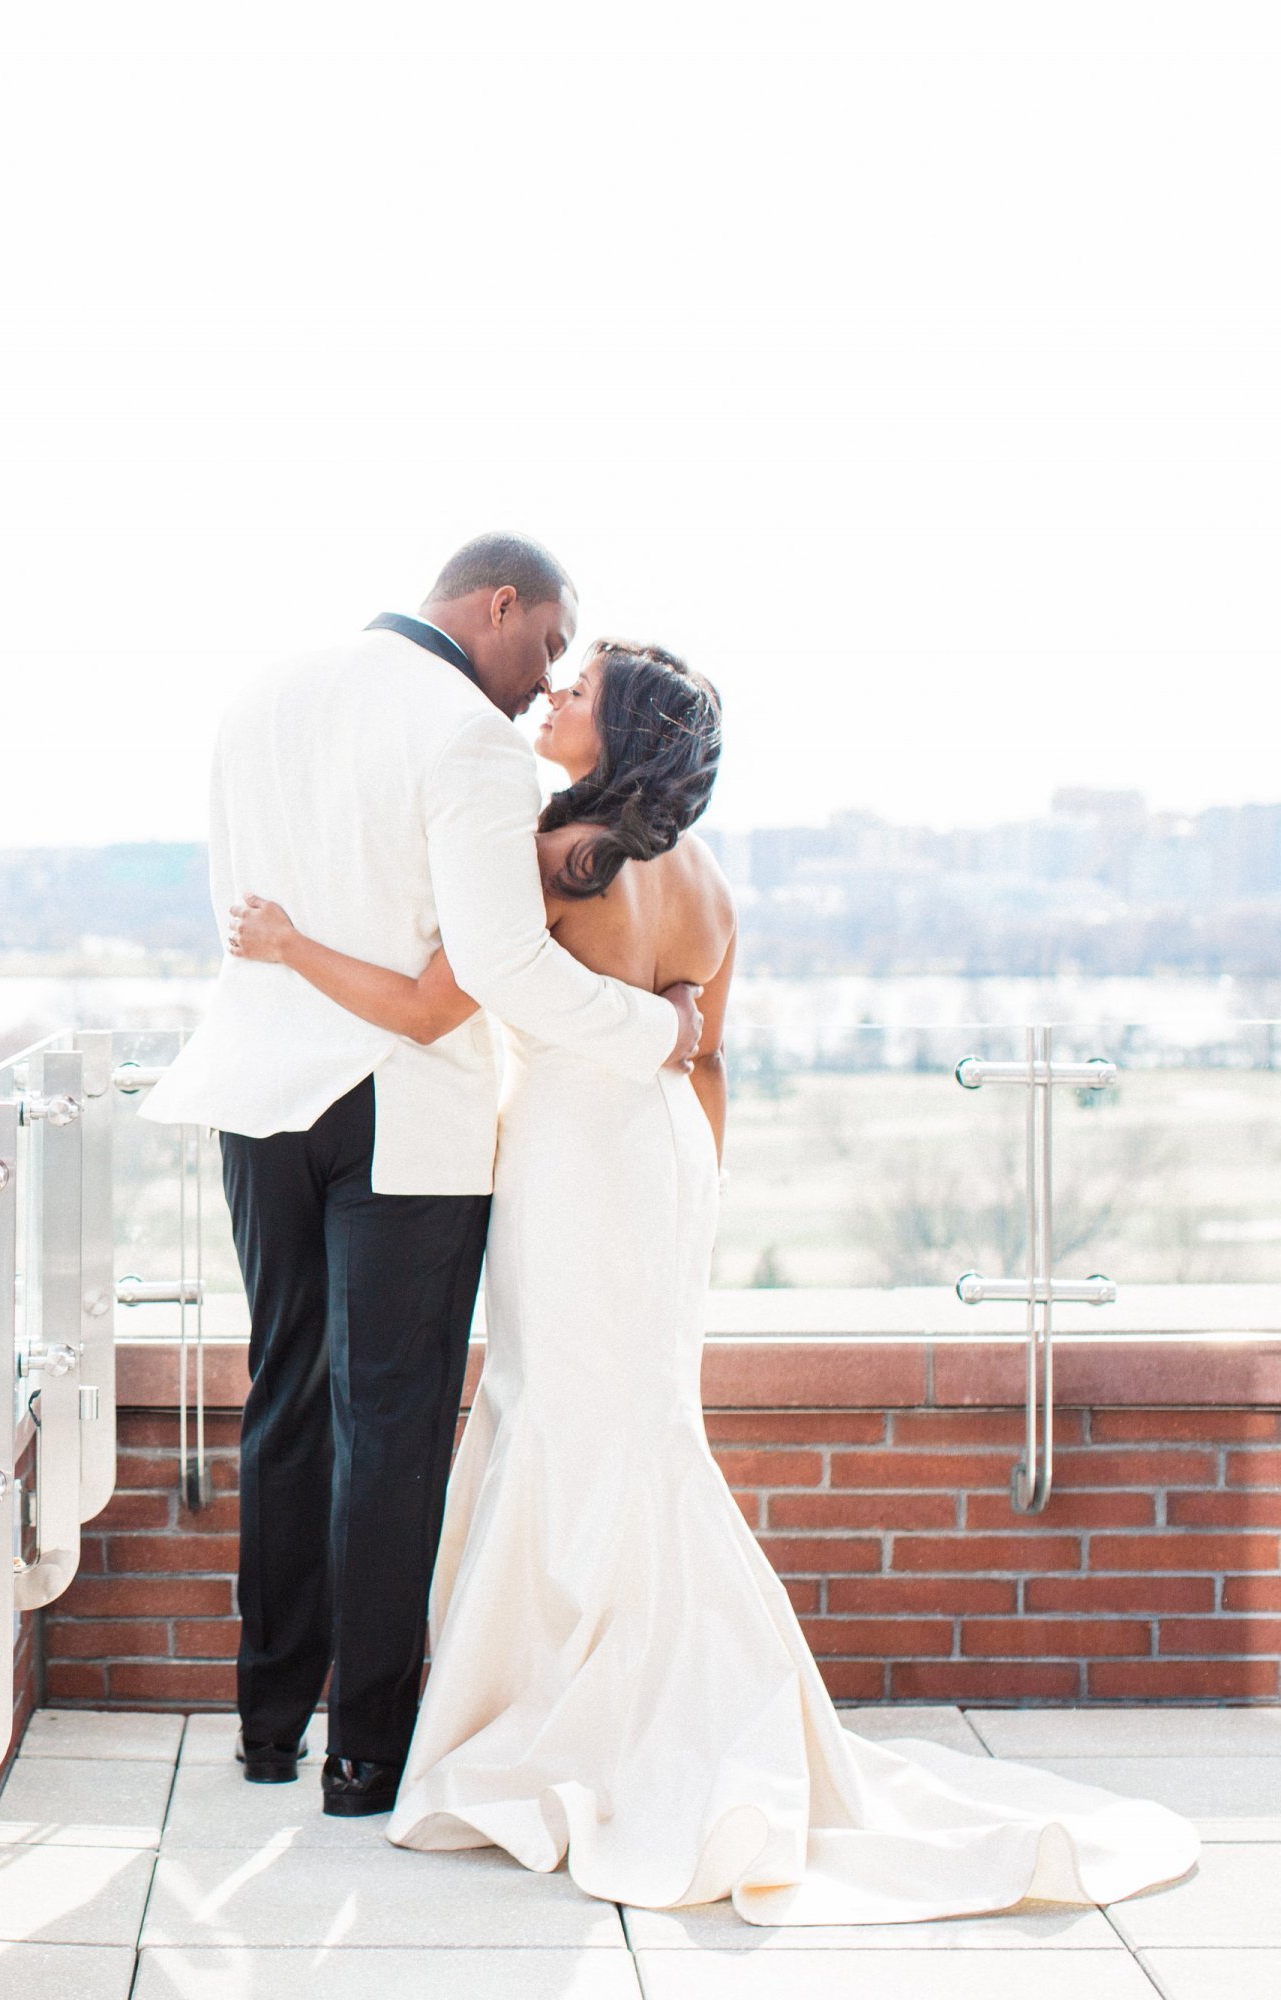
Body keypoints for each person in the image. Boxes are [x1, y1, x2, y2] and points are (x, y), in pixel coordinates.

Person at [224, 628, 1200, 1921]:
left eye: (576, 695)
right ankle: (651, 1678)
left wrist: (289, 943)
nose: (552, 699)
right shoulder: (714, 884)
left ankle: (558, 1699)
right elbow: (708, 1062)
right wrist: (694, 1199)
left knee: (554, 1414)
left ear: (613, 734)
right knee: (643, 1421)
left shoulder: (547, 860)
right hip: (664, 1158)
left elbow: (432, 1004)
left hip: (574, 1151)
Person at [137, 533, 705, 1816]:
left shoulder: (259, 693)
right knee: (390, 1426)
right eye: (548, 643)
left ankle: (269, 1724)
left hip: (260, 1092)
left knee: (284, 1393)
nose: (543, 677)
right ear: (498, 604)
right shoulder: (470, 738)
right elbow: (496, 971)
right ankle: (366, 1754)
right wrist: (659, 1035)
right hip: (404, 1114)